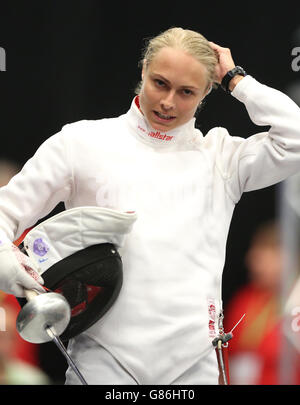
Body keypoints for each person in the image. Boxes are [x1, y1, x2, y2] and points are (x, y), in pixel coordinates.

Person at [0, 26, 300, 385]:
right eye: (160, 83)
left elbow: (294, 138)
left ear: (207, 91)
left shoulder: (222, 158)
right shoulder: (81, 142)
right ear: (143, 70)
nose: (168, 102)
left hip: (194, 367)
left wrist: (236, 79)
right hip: (101, 365)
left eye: (186, 91)